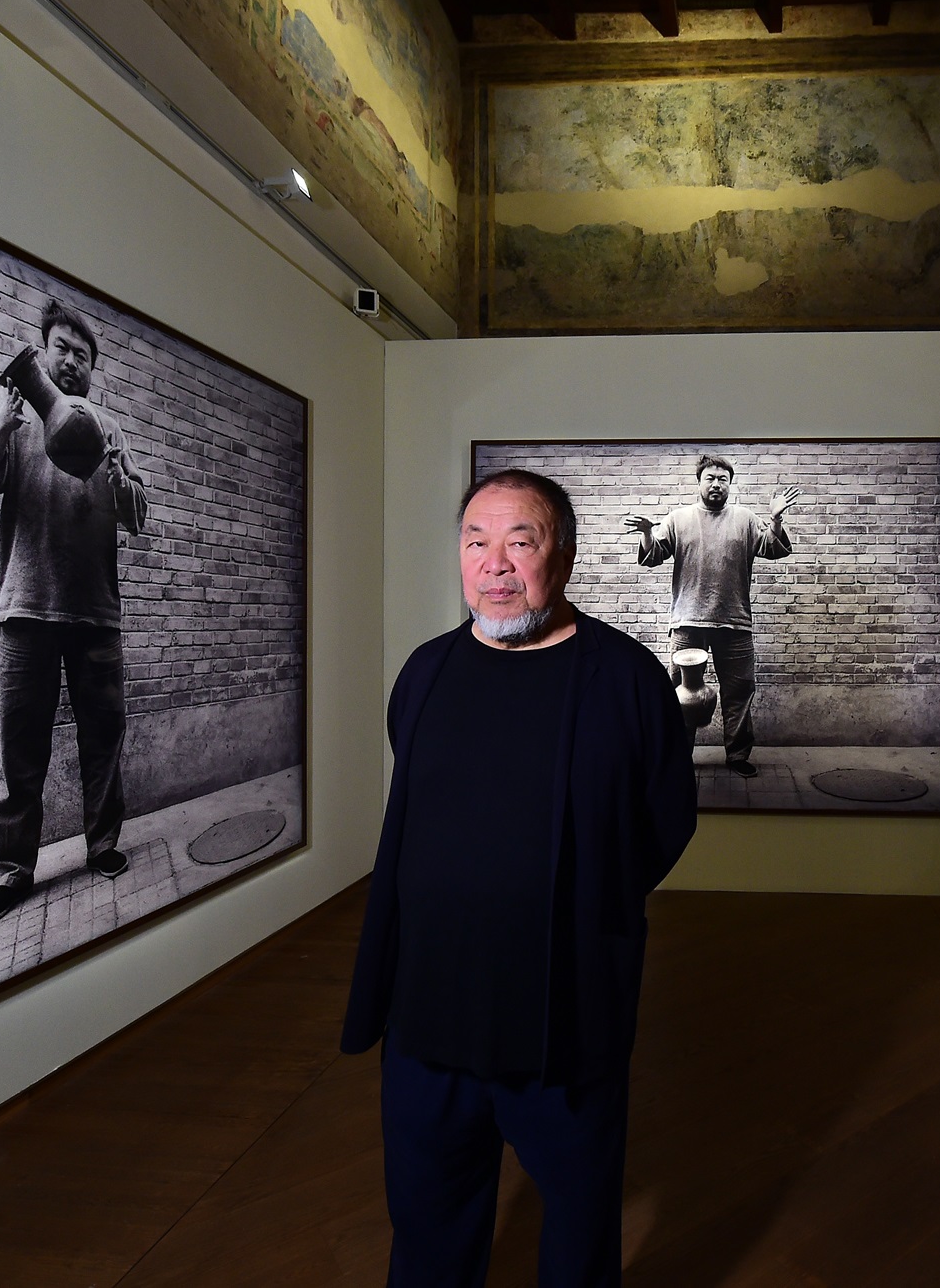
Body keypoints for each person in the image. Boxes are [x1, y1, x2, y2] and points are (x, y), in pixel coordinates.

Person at [341, 468, 697, 1288]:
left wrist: (586, 903)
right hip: (428, 1020)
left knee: (578, 1231)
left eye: (519, 541)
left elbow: (665, 820)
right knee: (427, 1228)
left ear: (561, 556)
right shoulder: (426, 671)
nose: (494, 563)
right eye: (476, 541)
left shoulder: (626, 678)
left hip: (563, 1022)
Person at [0, 298, 149, 933]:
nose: (71, 361)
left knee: (103, 739)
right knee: (21, 750)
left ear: (93, 368)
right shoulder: (9, 407)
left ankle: (103, 844)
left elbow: (138, 513)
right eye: (61, 348)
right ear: (44, 354)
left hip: (96, 614)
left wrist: (121, 482)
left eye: (83, 355)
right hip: (25, 610)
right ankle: (12, 870)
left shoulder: (109, 426)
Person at [623, 454, 799, 778]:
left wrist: (775, 520)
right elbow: (653, 556)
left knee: (740, 692)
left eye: (723, 479)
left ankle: (737, 755)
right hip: (688, 622)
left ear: (729, 484)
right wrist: (647, 533)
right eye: (710, 478)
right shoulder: (679, 519)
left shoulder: (745, 519)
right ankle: (678, 757)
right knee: (680, 693)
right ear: (699, 482)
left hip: (735, 622)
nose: (716, 484)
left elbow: (773, 549)